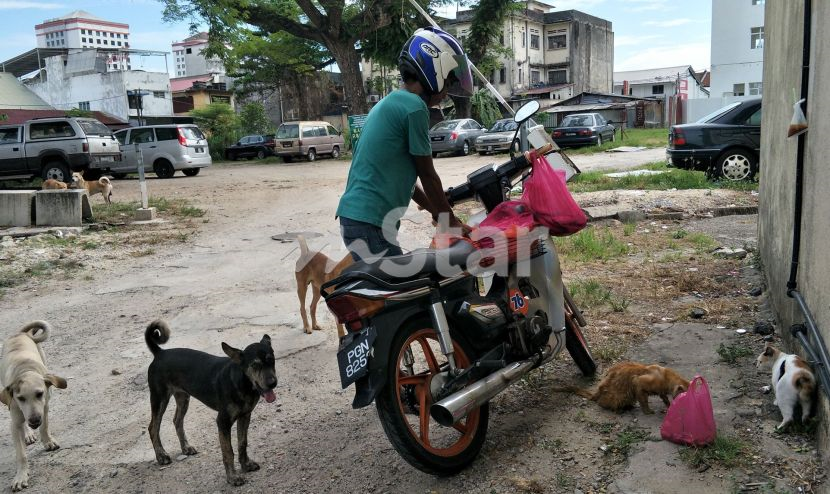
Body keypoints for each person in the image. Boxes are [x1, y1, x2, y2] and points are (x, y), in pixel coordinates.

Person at [336, 27, 473, 262]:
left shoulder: (391, 102)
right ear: (433, 71)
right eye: (449, 82)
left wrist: (435, 211)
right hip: (369, 224)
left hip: (357, 220)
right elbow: (428, 175)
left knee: (396, 292)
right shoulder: (415, 108)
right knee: (405, 292)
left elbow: (407, 182)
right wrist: (451, 223)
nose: (448, 91)